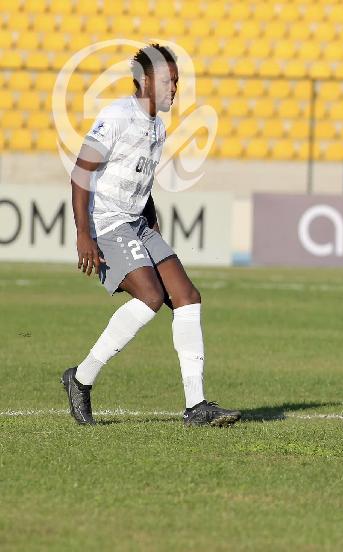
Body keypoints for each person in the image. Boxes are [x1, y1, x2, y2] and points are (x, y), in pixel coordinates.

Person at [61, 43, 241, 427]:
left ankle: (196, 406)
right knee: (151, 297)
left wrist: (152, 221)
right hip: (107, 223)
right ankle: (81, 378)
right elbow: (81, 172)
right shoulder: (117, 116)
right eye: (167, 81)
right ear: (145, 81)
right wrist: (83, 234)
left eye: (176, 81)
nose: (174, 88)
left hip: (137, 223)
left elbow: (140, 180)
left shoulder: (157, 126)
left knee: (187, 297)